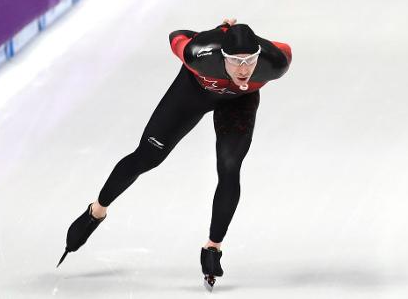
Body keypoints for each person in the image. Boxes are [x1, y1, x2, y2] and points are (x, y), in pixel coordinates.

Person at [58, 18, 292, 287]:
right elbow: (176, 35)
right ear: (222, 55)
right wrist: (218, 32)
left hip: (238, 103)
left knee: (229, 167)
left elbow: (282, 48)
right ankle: (96, 211)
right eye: (236, 61)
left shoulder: (276, 61)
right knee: (147, 156)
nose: (243, 69)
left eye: (250, 60)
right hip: (192, 93)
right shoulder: (199, 53)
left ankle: (212, 247)